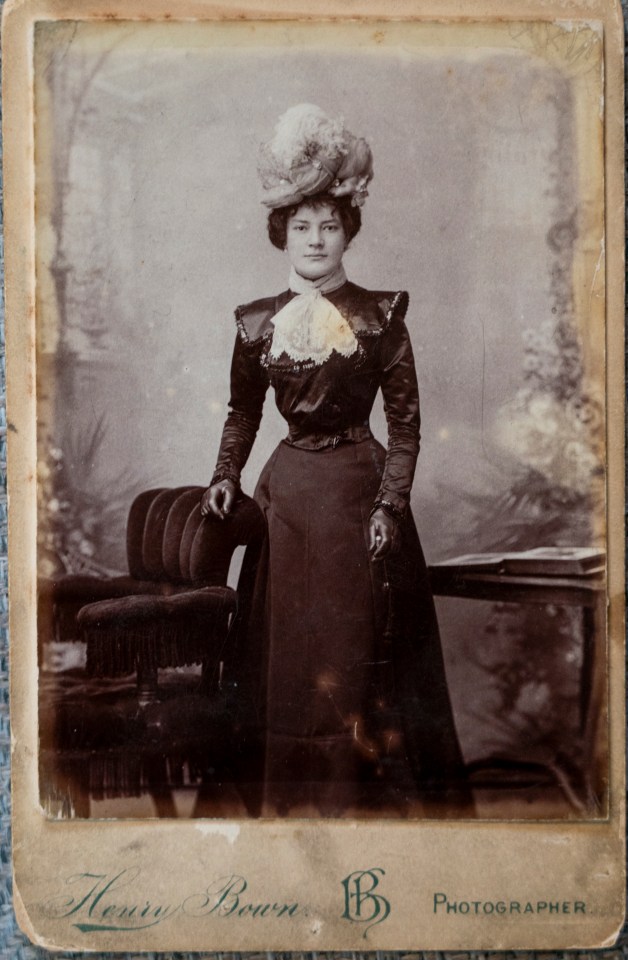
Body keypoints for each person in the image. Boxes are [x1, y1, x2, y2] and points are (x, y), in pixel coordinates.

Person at [201, 104, 470, 817]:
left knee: (358, 657)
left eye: (328, 226)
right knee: (287, 663)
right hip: (288, 507)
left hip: (359, 500)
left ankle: (367, 806)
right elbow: (243, 412)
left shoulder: (381, 315)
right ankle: (284, 806)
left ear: (347, 231)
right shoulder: (257, 324)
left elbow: (407, 426)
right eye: (301, 227)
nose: (315, 240)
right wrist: (225, 475)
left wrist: (389, 505)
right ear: (280, 234)